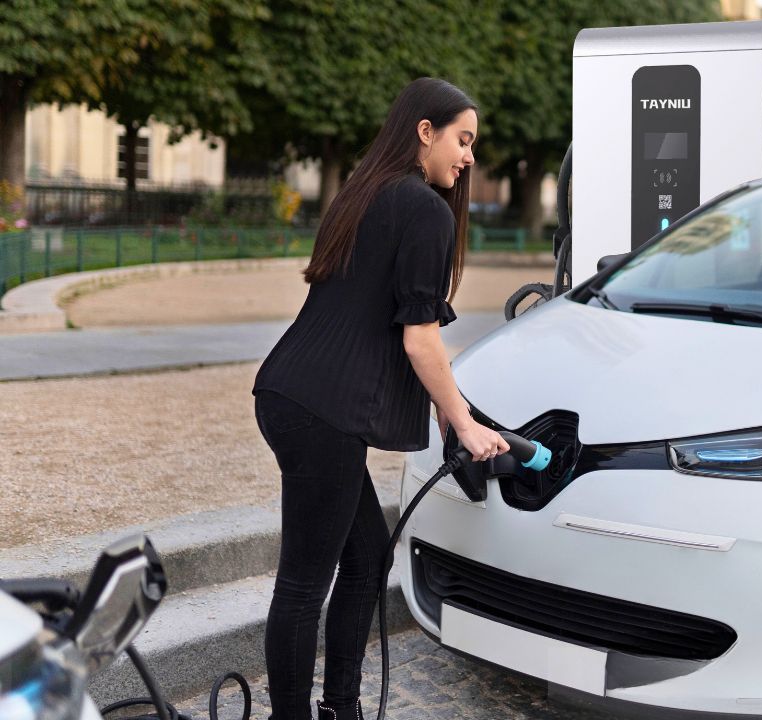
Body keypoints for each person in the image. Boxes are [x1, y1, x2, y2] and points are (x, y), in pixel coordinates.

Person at [251, 77, 508, 720]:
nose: (469, 157)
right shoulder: (422, 207)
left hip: (293, 394)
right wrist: (464, 423)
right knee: (304, 585)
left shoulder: (363, 194)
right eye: (463, 139)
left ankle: (341, 706)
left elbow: (377, 326)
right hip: (320, 411)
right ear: (426, 130)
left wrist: (452, 414)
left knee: (366, 556)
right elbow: (418, 340)